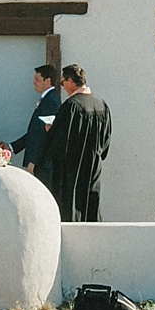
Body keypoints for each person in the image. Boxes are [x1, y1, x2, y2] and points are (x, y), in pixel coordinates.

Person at [39, 64, 111, 221]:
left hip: (72, 170)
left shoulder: (71, 106)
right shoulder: (101, 105)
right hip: (93, 168)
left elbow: (59, 142)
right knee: (91, 207)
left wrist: (51, 130)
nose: (63, 86)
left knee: (71, 209)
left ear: (70, 81)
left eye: (63, 82)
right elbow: (105, 144)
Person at [8, 64, 63, 178]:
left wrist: (34, 161)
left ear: (47, 81)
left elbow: (45, 135)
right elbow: (34, 131)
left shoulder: (51, 101)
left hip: (42, 164)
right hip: (39, 163)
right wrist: (11, 147)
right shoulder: (47, 99)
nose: (34, 83)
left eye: (37, 80)